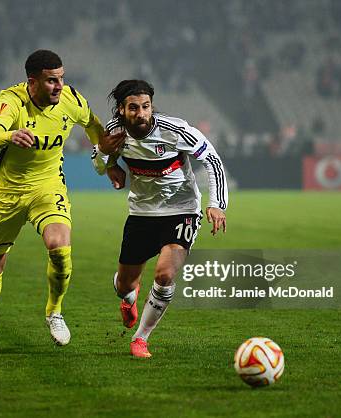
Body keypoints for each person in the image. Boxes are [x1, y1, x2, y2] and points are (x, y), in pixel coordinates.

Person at [0, 50, 109, 355]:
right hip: (7, 190)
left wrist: (104, 158)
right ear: (33, 82)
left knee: (59, 246)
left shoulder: (71, 100)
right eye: (51, 80)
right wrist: (11, 135)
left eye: (61, 78)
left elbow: (94, 125)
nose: (59, 86)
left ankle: (54, 312)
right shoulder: (13, 100)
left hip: (47, 185)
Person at [92, 80, 228, 358]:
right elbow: (97, 158)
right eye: (134, 108)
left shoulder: (174, 130)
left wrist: (216, 204)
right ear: (121, 109)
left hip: (182, 209)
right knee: (123, 285)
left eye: (146, 106)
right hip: (141, 213)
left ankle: (140, 338)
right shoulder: (114, 131)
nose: (141, 113)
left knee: (165, 274)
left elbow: (212, 160)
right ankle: (128, 295)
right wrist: (109, 165)